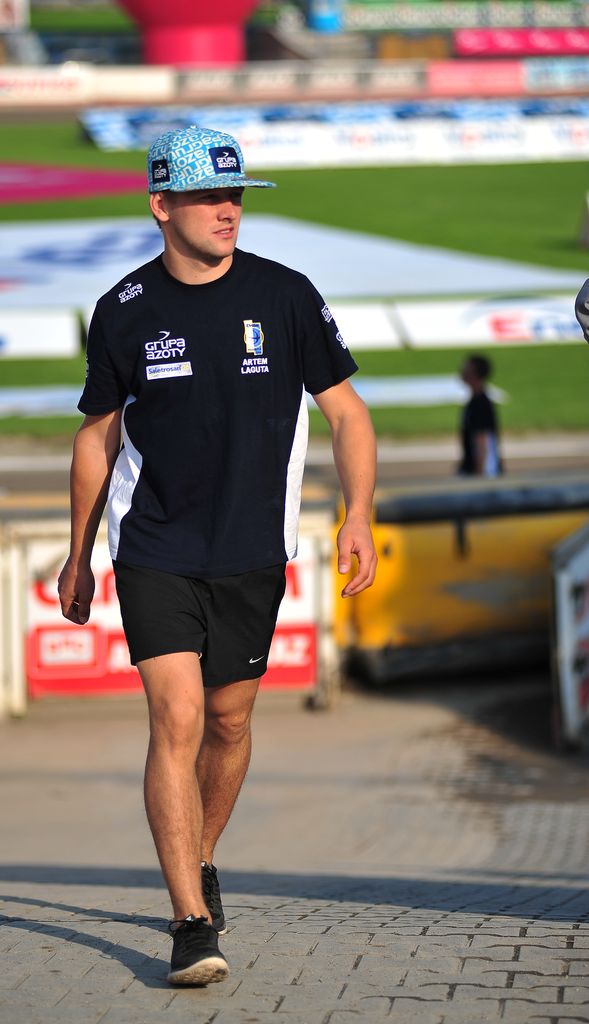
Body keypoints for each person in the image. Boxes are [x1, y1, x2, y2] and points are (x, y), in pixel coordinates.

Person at [57, 126, 377, 987]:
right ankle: (190, 922)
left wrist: (358, 513)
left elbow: (348, 413)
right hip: (154, 548)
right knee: (178, 718)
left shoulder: (286, 294)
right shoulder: (123, 309)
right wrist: (79, 554)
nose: (227, 210)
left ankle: (197, 857)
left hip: (251, 549)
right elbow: (96, 437)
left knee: (230, 722)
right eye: (207, 197)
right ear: (161, 205)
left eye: (234, 195)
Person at [458, 353, 503, 477]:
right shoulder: (473, 401)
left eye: (466, 370)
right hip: (476, 468)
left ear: (475, 375)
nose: (461, 372)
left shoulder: (481, 404)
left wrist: (479, 474)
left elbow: (483, 440)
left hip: (484, 472)